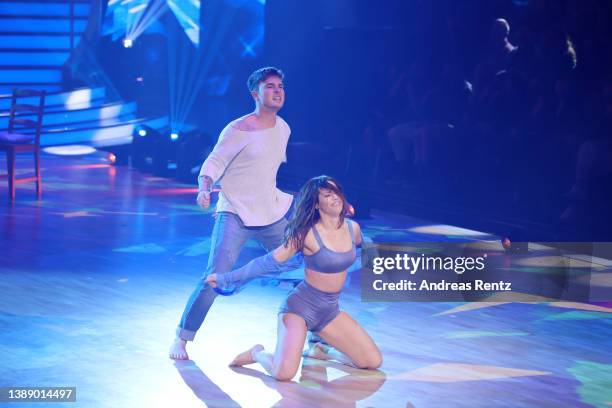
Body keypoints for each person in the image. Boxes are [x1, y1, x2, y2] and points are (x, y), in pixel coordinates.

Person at [169, 66, 301, 360]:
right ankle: (182, 337)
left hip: (271, 211)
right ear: (255, 93)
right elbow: (213, 163)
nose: (278, 90)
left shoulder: (284, 128)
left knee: (304, 267)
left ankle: (317, 338)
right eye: (270, 86)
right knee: (215, 276)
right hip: (235, 212)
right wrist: (204, 188)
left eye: (280, 85)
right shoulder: (237, 129)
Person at [207, 176, 383, 380]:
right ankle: (257, 352)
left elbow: (364, 242)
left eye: (336, 192)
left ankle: (322, 352)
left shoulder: (352, 229)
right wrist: (227, 277)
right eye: (327, 194)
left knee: (372, 362)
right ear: (316, 204)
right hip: (299, 309)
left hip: (329, 311)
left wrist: (373, 252)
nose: (335, 197)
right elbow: (267, 262)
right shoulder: (306, 234)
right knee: (284, 374)